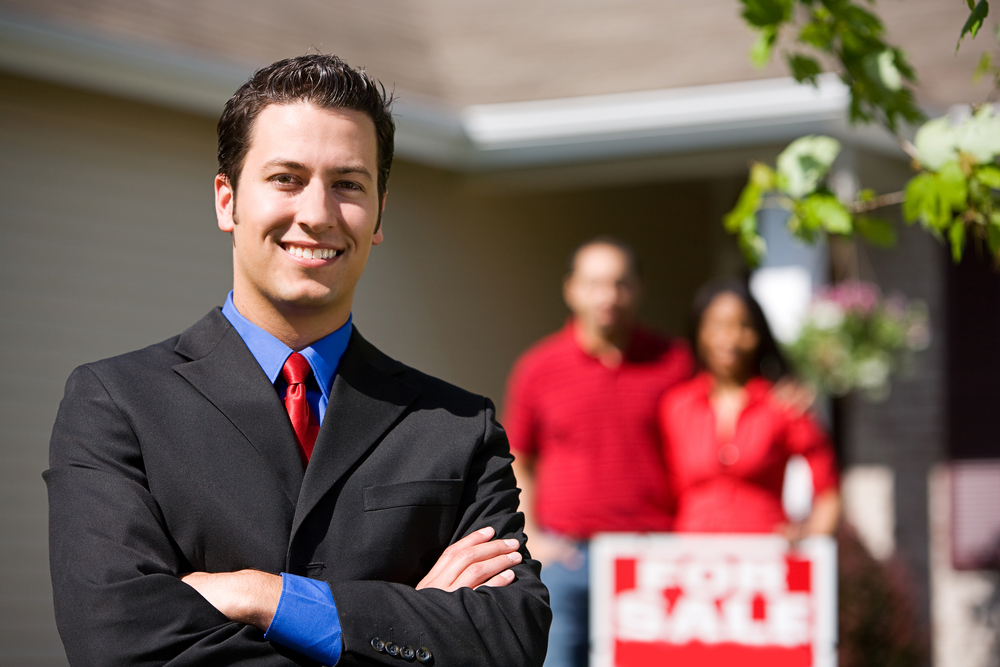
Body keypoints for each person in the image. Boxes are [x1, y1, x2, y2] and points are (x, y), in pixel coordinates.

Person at [44, 54, 549, 666]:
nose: (316, 214)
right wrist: (400, 626)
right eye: (286, 178)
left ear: (379, 213)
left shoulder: (458, 427)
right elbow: (116, 641)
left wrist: (265, 597)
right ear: (227, 201)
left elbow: (510, 640)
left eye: (348, 184)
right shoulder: (115, 405)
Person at [503, 237, 695, 667]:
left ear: (639, 289)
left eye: (620, 284)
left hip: (652, 557)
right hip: (566, 559)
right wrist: (533, 537)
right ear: (570, 289)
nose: (608, 296)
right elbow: (518, 460)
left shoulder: (676, 364)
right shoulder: (538, 368)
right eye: (594, 284)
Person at [658, 278, 840, 538]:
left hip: (764, 552)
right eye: (718, 326)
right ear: (699, 331)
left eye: (744, 327)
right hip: (693, 552)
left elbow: (828, 488)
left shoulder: (781, 404)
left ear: (758, 335)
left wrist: (812, 536)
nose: (730, 338)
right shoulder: (676, 407)